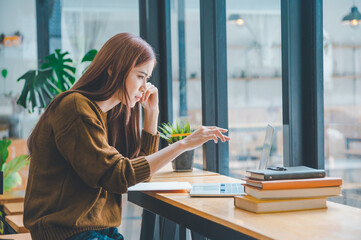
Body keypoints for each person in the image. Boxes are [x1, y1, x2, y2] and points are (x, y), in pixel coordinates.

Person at [23, 33, 230, 240]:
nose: (144, 87)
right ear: (113, 69)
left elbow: (139, 176)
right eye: (140, 76)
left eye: (147, 78)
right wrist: (183, 144)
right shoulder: (76, 108)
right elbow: (118, 176)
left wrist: (151, 114)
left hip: (98, 231)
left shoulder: (110, 114)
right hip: (66, 233)